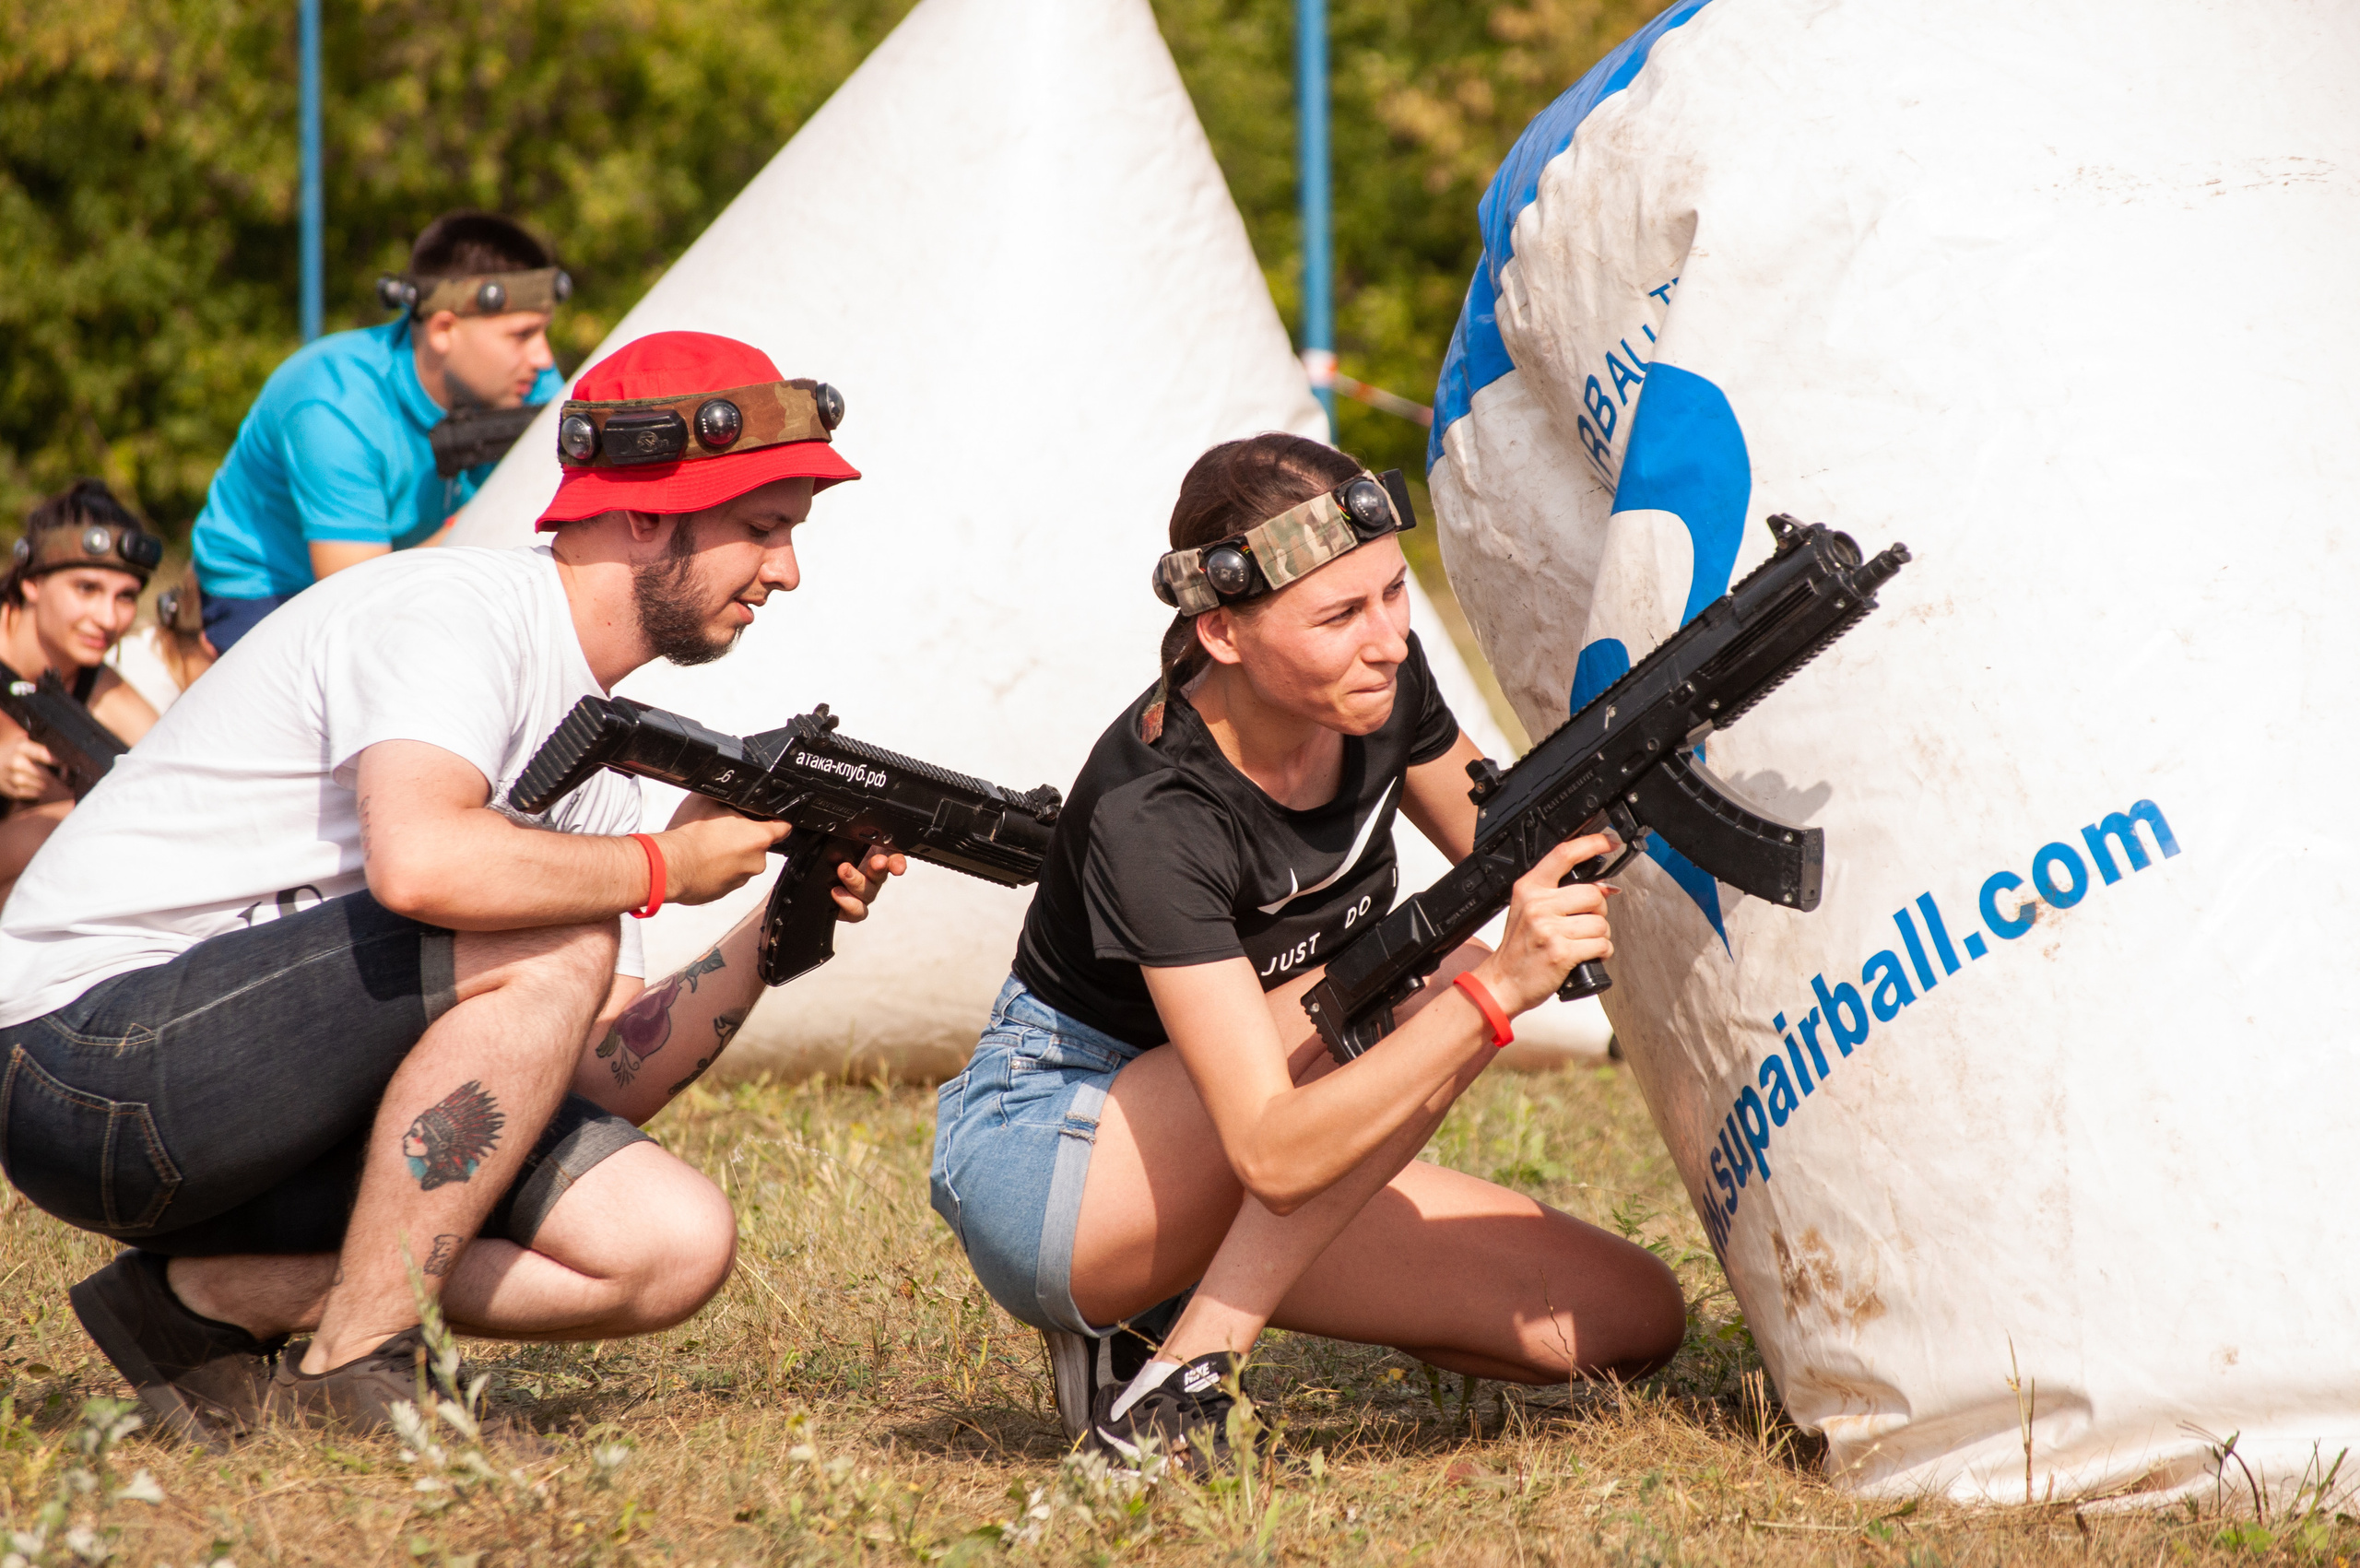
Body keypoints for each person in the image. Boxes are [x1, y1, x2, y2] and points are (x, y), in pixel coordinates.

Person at [0, 331, 889, 1446]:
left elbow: (582, 1070)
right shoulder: (456, 614)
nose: (787, 572)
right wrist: (663, 869)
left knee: (670, 1244)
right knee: (563, 933)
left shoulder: (597, 749)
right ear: (648, 513)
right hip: (81, 1067)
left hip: (243, 1110)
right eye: (763, 530)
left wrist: (773, 930)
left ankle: (202, 1304)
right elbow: (420, 863)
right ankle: (360, 1362)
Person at [929, 433, 1687, 1469]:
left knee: (1618, 1320)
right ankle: (1183, 1383)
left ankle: (1154, 1336)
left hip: (1263, 1101)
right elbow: (1273, 1153)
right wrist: (1498, 988)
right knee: (1445, 977)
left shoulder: (1376, 683)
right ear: (1223, 635)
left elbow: (1503, 851)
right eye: (1338, 616)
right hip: (1064, 1157)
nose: (1384, 639)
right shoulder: (1156, 811)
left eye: (1390, 594)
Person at [188, 210, 570, 653]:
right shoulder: (333, 404)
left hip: (401, 563)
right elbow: (360, 607)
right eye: (522, 335)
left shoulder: (527, 381)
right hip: (269, 590)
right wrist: (492, 516)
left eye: (544, 333)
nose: (544, 358)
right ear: (444, 329)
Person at [0, 480, 165, 906]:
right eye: (86, 589)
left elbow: (172, 775)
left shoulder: (94, 681)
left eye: (125, 596)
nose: (108, 618)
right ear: (32, 582)